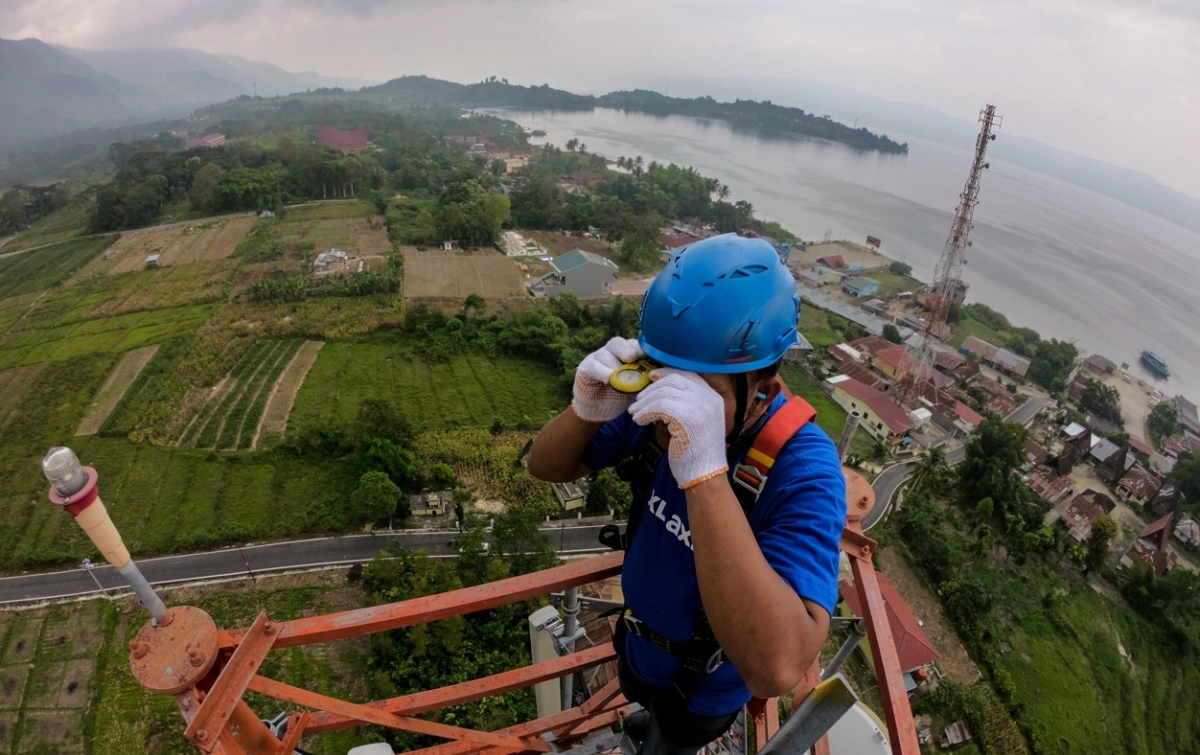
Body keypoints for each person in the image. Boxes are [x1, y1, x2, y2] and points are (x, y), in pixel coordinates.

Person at [528, 234, 846, 754]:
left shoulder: (803, 470)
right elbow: (546, 466)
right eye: (664, 378)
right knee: (642, 711)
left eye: (699, 393)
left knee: (670, 744)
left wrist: (704, 471)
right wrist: (585, 410)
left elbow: (778, 667)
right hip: (636, 647)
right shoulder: (656, 416)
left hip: (706, 688)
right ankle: (644, 723)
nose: (673, 407)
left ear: (761, 391)